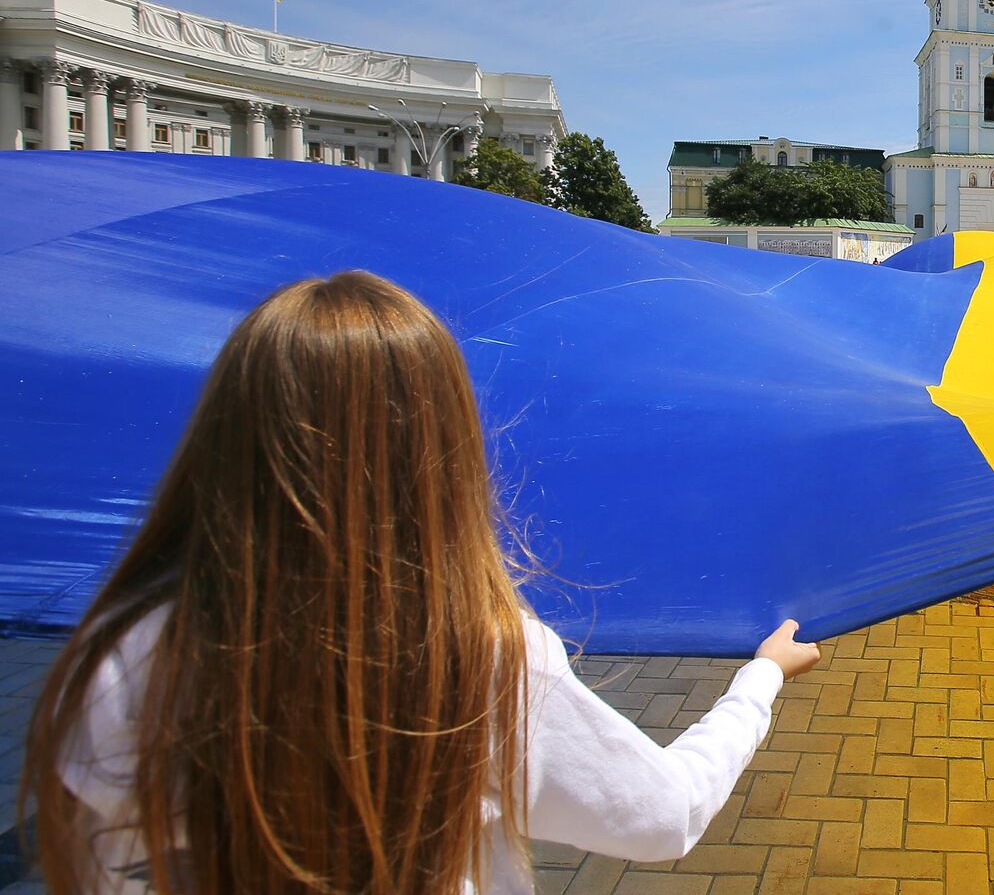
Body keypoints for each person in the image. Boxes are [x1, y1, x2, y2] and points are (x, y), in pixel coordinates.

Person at [21, 272, 821, 895]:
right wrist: (759, 680)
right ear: (438, 442)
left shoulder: (118, 653)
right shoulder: (480, 658)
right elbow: (662, 817)